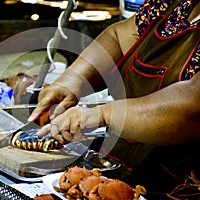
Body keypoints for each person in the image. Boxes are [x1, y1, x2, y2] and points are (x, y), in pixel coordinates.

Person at [28, 0, 200, 198]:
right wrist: (72, 80)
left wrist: (104, 113)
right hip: (118, 178)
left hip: (179, 188)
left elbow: (194, 105)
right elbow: (118, 39)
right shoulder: (174, 5)